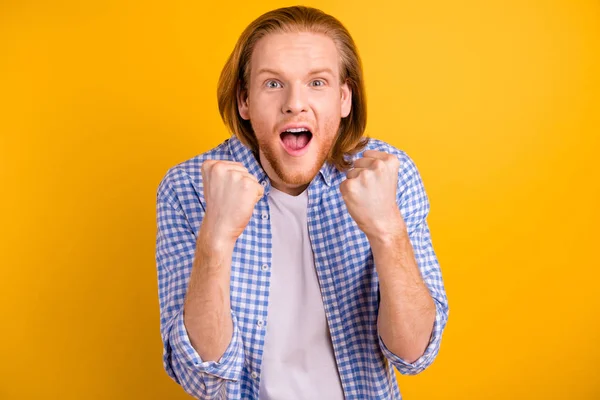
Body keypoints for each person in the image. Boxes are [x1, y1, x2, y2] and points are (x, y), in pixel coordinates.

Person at [155, 5, 449, 400]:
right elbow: (201, 377)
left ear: (344, 99)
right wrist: (216, 239)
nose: (295, 103)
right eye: (273, 84)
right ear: (245, 101)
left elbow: (414, 354)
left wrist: (388, 231)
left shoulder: (388, 177)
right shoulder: (187, 188)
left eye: (317, 83)